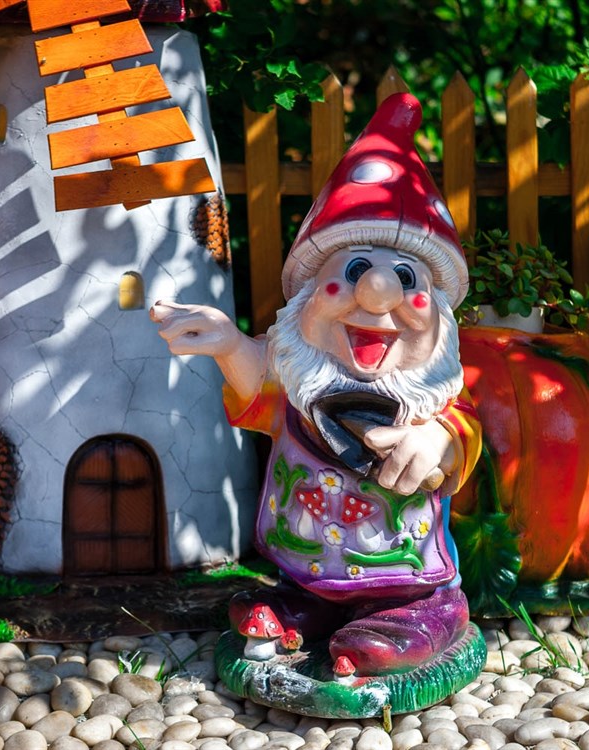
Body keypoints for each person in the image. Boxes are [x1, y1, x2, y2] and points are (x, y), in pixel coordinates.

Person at [151, 93, 481, 677]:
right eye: (353, 270)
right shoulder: (298, 387)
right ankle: (312, 607)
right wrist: (229, 344)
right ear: (308, 299)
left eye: (407, 279)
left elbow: (463, 436)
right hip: (308, 567)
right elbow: (256, 391)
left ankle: (417, 616)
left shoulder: (434, 397)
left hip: (408, 576)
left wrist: (437, 440)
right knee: (287, 596)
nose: (377, 293)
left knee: (412, 609)